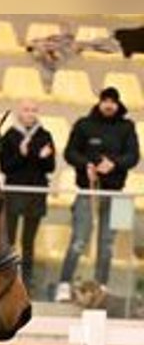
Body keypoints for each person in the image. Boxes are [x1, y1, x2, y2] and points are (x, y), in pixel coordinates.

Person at [56, 86, 140, 302]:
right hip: (87, 192)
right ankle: (64, 285)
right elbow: (70, 152)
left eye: (113, 101)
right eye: (106, 100)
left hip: (116, 195)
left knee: (107, 245)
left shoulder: (127, 126)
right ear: (100, 102)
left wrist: (113, 164)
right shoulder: (84, 124)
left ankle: (101, 287)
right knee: (79, 241)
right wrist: (86, 165)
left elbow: (133, 156)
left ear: (118, 104)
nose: (109, 105)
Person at [0, 99, 56, 295]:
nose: (30, 113)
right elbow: (6, 166)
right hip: (14, 191)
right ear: (19, 113)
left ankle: (26, 284)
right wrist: (26, 155)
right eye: (26, 110)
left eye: (33, 110)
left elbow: (50, 166)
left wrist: (38, 157)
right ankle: (6, 280)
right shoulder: (10, 136)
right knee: (9, 240)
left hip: (36, 193)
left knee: (28, 242)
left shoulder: (45, 135)